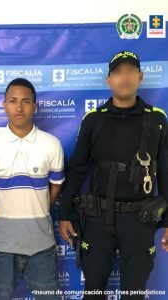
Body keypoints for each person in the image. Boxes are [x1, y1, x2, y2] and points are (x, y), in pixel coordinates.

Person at [59, 51, 168, 300]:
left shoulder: (157, 120)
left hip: (141, 219)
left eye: (131, 71)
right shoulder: (94, 120)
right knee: (94, 292)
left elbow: (165, 170)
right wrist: (64, 213)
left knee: (134, 295)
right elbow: (77, 168)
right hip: (97, 219)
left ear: (140, 76)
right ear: (109, 80)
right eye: (118, 72)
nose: (125, 77)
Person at [0, 78, 65, 300]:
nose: (19, 107)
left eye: (26, 101)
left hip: (41, 245)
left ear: (35, 106)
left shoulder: (51, 144)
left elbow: (56, 184)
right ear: (4, 104)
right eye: (13, 101)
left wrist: (41, 205)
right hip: (2, 245)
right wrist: (6, 204)